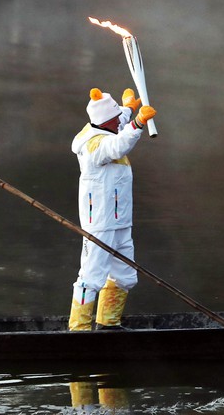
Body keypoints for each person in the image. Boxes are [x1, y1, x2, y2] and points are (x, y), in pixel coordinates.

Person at [68, 86, 156, 331]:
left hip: (120, 220)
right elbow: (118, 146)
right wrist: (138, 124)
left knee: (125, 275)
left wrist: (129, 108)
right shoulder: (93, 146)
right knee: (91, 276)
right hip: (100, 222)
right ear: (107, 121)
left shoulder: (107, 126)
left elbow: (119, 123)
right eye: (117, 117)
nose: (120, 120)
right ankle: (80, 328)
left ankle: (108, 323)